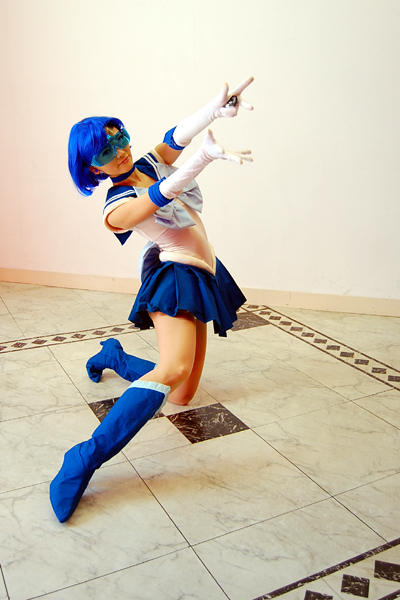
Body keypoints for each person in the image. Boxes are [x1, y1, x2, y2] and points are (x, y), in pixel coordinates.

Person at [50, 77, 254, 522]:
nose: (119, 151)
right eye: (105, 152)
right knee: (174, 369)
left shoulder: (146, 161)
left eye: (118, 138)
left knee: (181, 394)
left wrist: (214, 110)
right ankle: (84, 457)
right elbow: (162, 194)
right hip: (174, 275)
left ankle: (116, 358)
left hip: (201, 270)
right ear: (93, 169)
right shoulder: (116, 206)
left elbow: (173, 138)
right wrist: (204, 157)